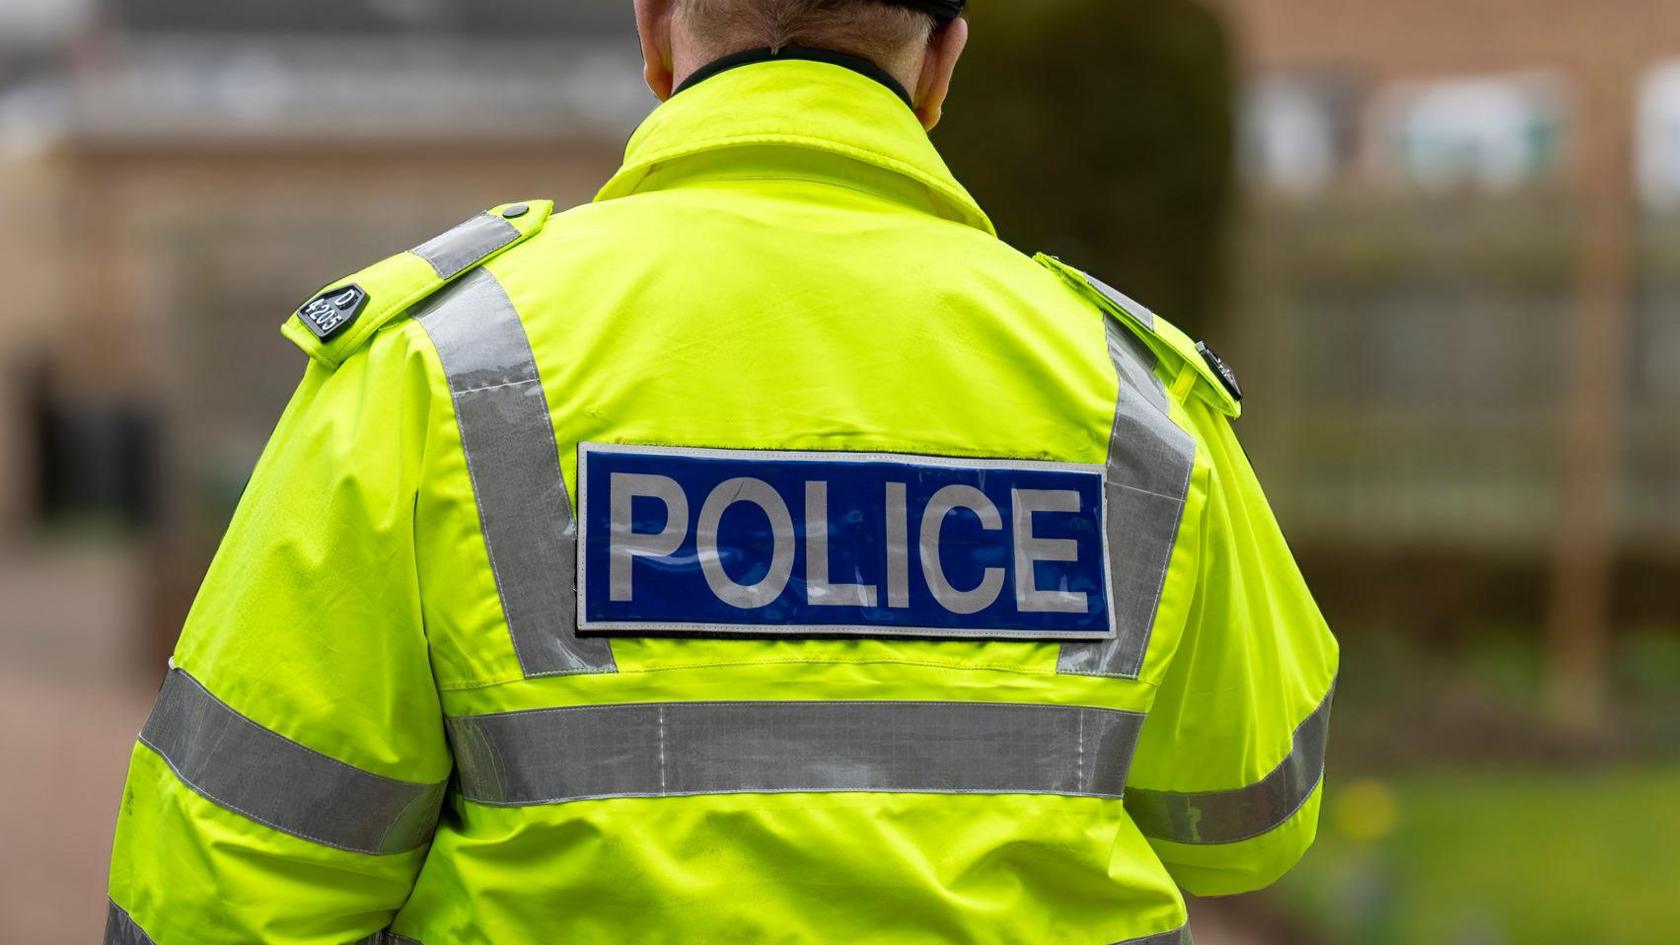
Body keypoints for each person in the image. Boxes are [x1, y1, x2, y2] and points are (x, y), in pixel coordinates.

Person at [104, 1, 1338, 942]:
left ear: (654, 31)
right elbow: (1251, 819)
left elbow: (227, 882)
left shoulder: (443, 366)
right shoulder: (1135, 397)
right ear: (943, 64)